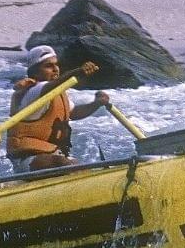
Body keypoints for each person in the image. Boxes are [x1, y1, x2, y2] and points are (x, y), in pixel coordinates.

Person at [7, 45, 109, 173]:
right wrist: (77, 73)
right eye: (48, 66)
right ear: (34, 72)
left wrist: (96, 103)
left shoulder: (57, 93)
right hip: (26, 159)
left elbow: (74, 113)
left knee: (76, 165)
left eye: (56, 65)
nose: (55, 69)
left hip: (51, 154)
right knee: (63, 163)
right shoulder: (33, 91)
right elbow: (50, 86)